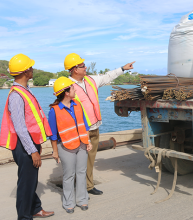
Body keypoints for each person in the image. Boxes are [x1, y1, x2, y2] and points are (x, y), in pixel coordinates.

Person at [64, 53, 135, 195]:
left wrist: (122, 68)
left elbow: (107, 76)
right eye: (82, 65)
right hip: (81, 130)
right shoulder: (67, 86)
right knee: (80, 161)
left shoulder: (90, 80)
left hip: (94, 127)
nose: (85, 67)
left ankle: (88, 186)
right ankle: (78, 187)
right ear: (74, 69)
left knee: (90, 159)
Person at [0, 54, 54, 219]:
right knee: (25, 184)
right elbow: (21, 128)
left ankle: (35, 208)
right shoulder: (17, 96)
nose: (32, 69)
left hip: (30, 143)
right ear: (25, 72)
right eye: (30, 67)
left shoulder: (24, 90)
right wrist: (32, 151)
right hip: (25, 146)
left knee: (31, 180)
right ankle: (24, 217)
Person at [48, 77, 92, 213]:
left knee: (81, 172)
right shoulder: (54, 111)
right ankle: (68, 203)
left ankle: (82, 200)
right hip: (65, 146)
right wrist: (55, 152)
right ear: (66, 92)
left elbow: (85, 125)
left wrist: (88, 141)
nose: (75, 90)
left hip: (82, 144)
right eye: (73, 88)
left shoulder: (77, 105)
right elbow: (53, 135)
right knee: (69, 175)